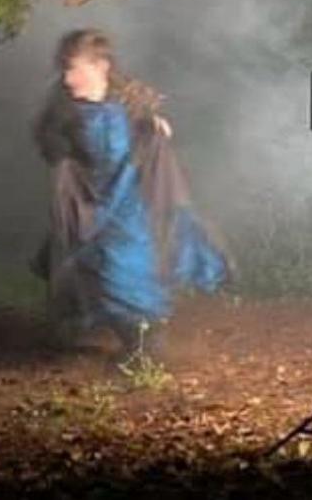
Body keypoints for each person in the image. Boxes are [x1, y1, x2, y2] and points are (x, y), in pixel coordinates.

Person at [30, 28, 229, 360]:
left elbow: (141, 130)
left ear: (100, 66)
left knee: (124, 269)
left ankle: (145, 346)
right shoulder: (63, 108)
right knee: (88, 269)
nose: (68, 77)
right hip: (92, 203)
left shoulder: (125, 100)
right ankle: (115, 338)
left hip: (127, 201)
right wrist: (61, 154)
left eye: (75, 68)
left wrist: (154, 127)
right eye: (65, 68)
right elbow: (50, 141)